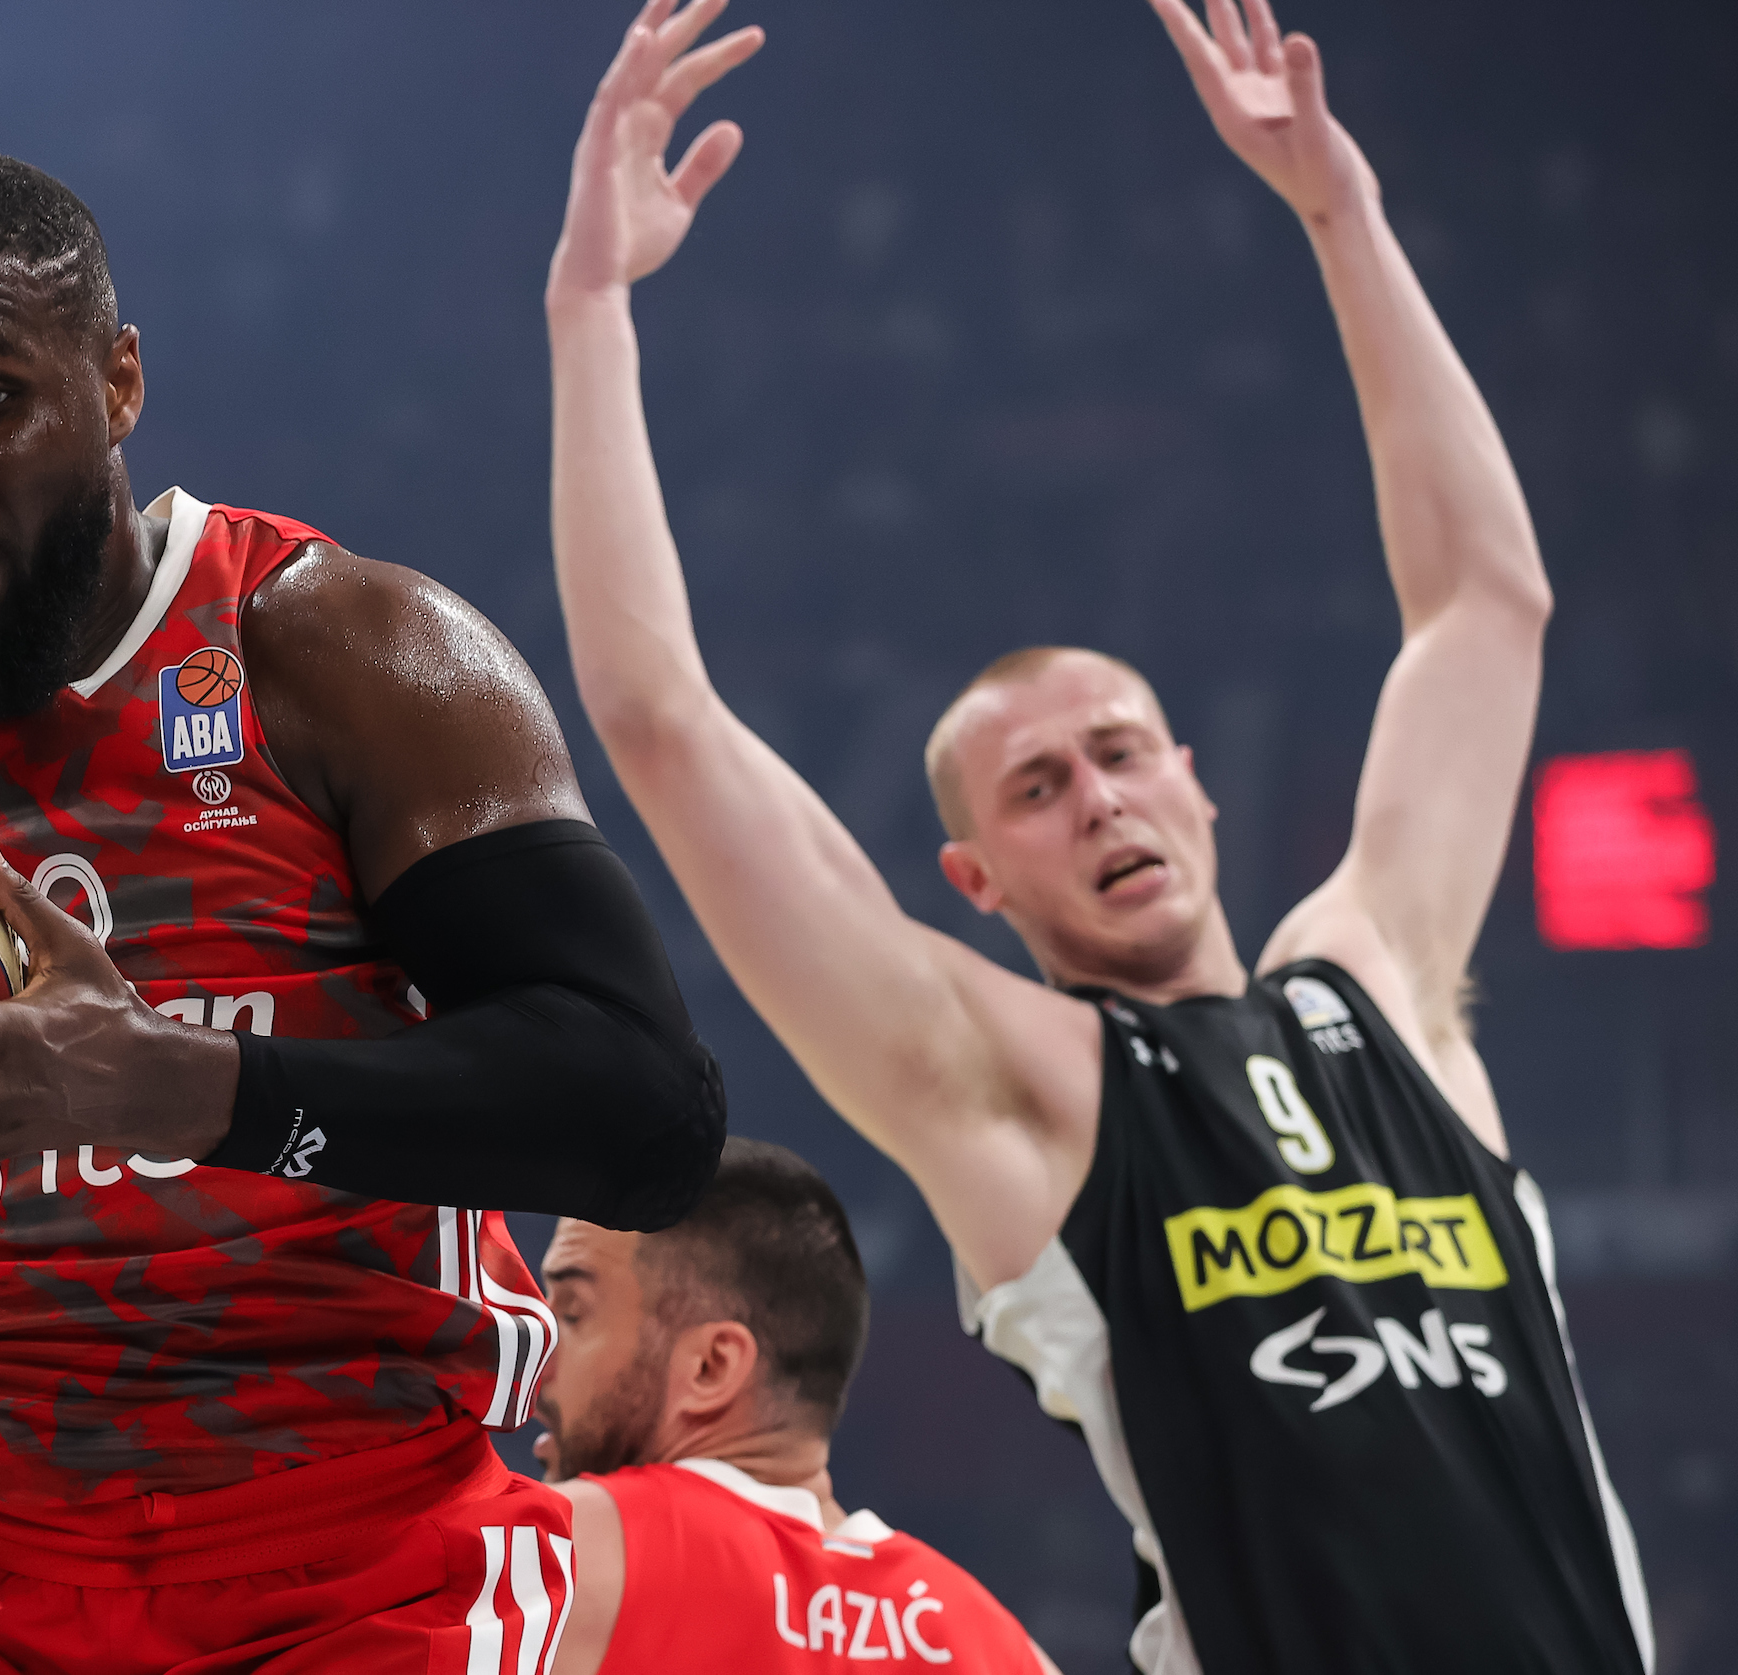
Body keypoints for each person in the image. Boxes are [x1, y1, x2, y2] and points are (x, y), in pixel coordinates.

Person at [544, 1, 1652, 1670]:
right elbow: (663, 728)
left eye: (1121, 754)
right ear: (978, 884)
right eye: (1040, 788)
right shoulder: (1032, 1096)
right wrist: (590, 310)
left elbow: (1487, 606)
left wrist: (1340, 213)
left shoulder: (1382, 992)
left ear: (1195, 780)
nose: (1102, 798)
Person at [0, 150, 725, 1674]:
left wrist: (178, 1084)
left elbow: (646, 1117)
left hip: (369, 1561)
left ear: (119, 384)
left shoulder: (342, 652)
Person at [535, 1138, 1060, 1675]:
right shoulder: (1009, 1653)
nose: (535, 1359)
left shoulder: (558, 1549)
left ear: (712, 1366)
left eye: (573, 1314)